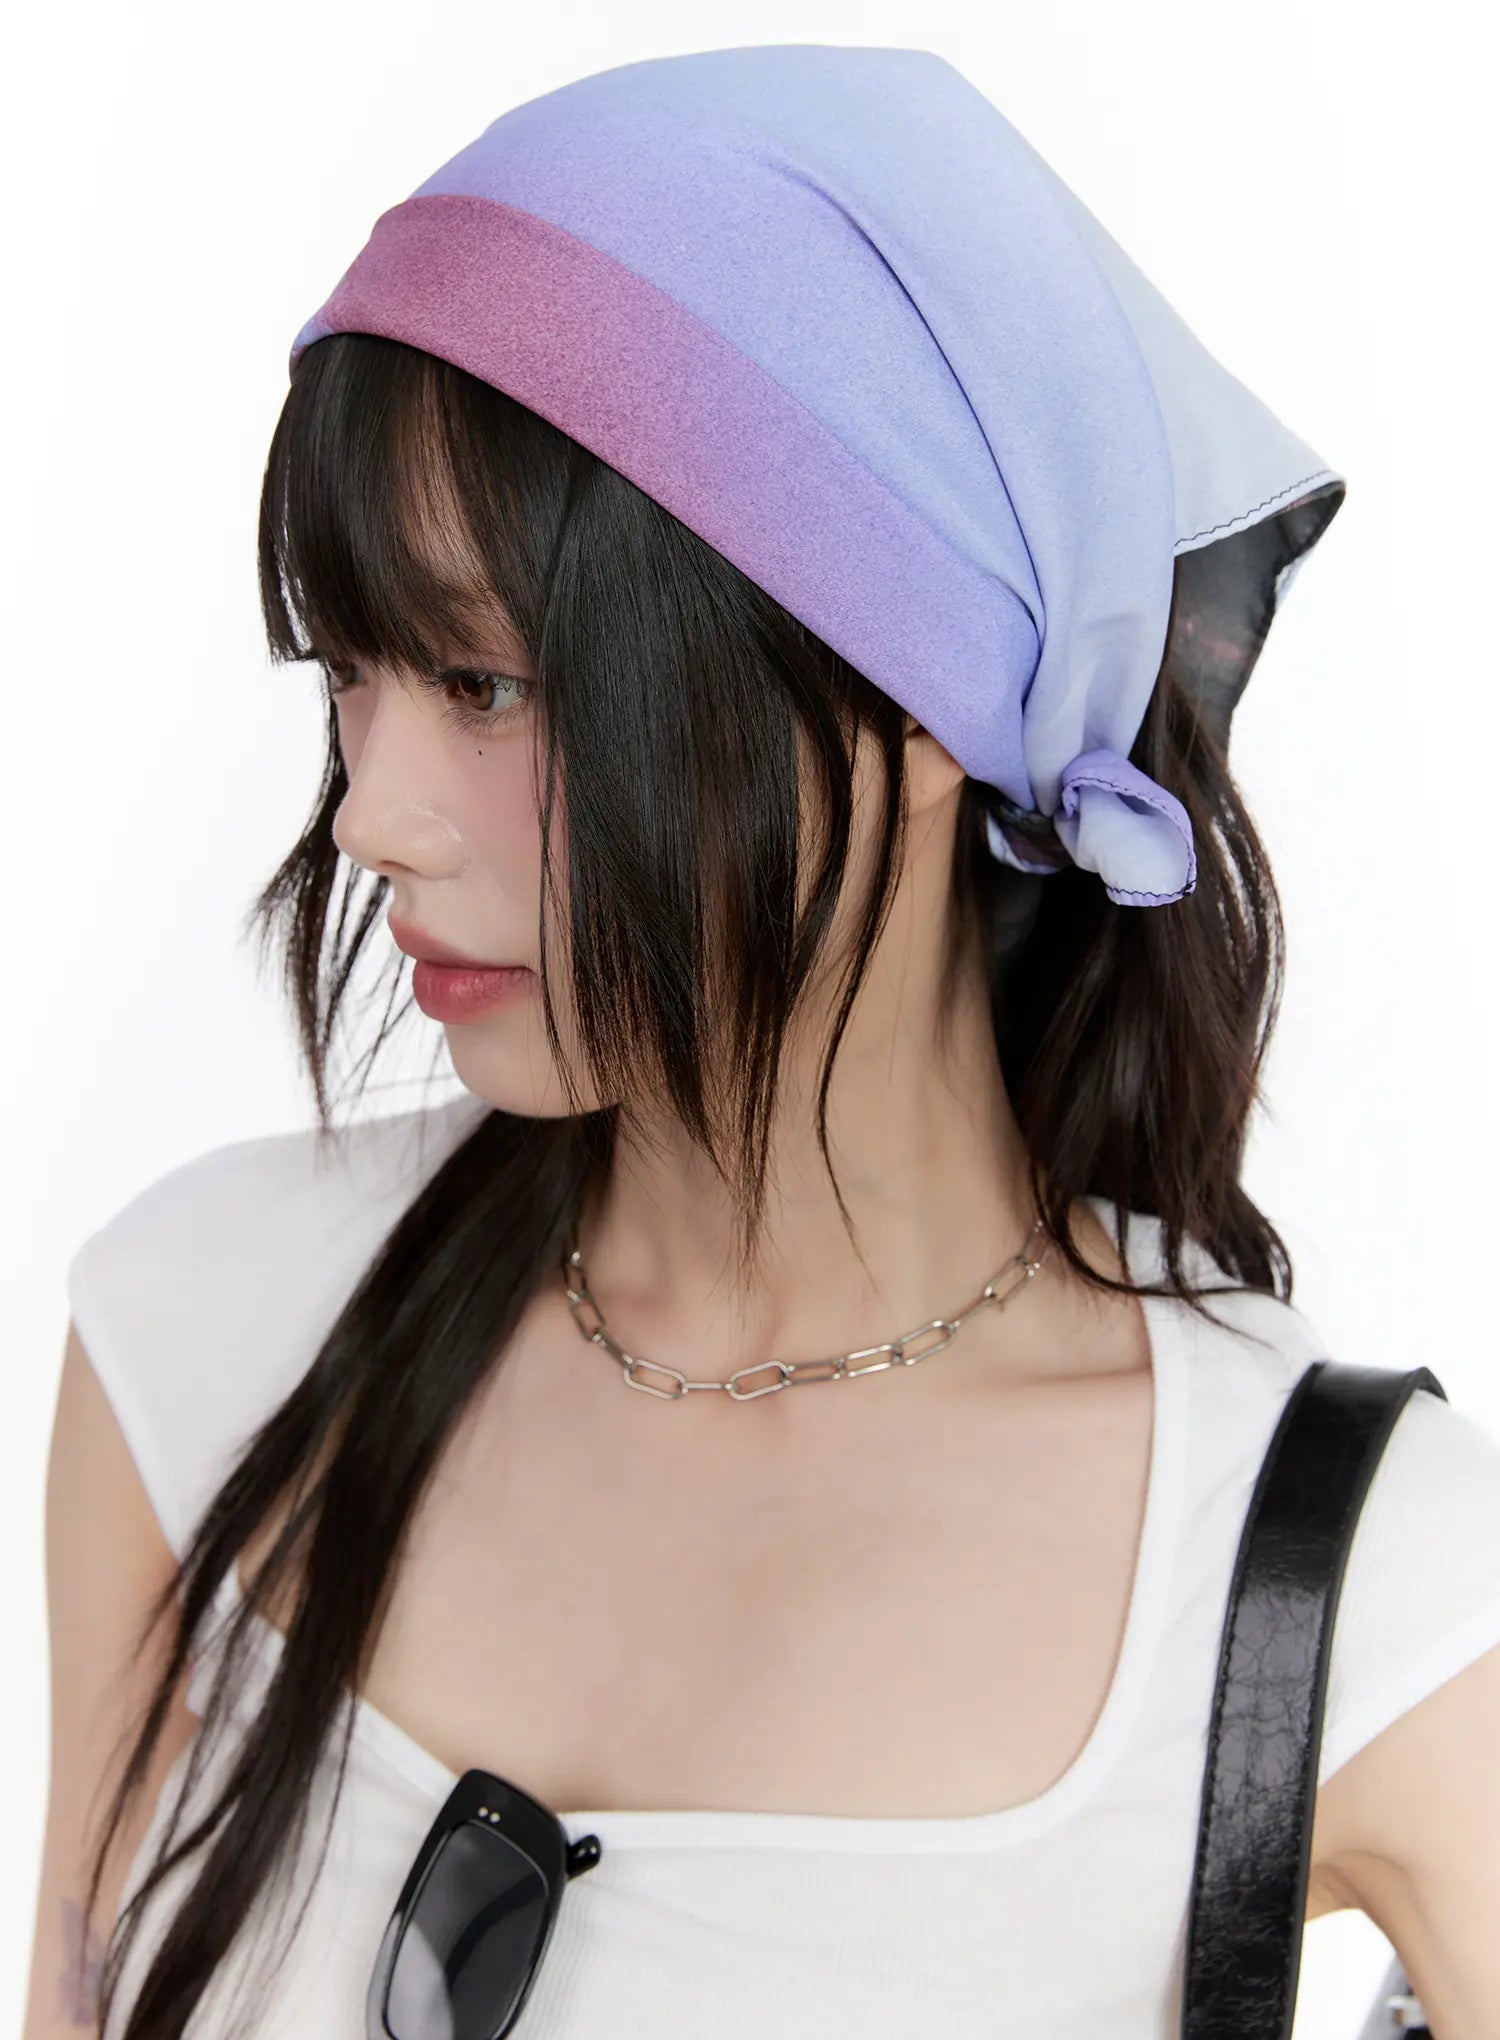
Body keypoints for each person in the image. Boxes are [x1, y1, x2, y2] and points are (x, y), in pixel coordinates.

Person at [26, 45, 1500, 2040]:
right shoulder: (200, 1335)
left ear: (915, 704)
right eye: (349, 672)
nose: (371, 813)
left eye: (485, 682)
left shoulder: (1351, 1585)